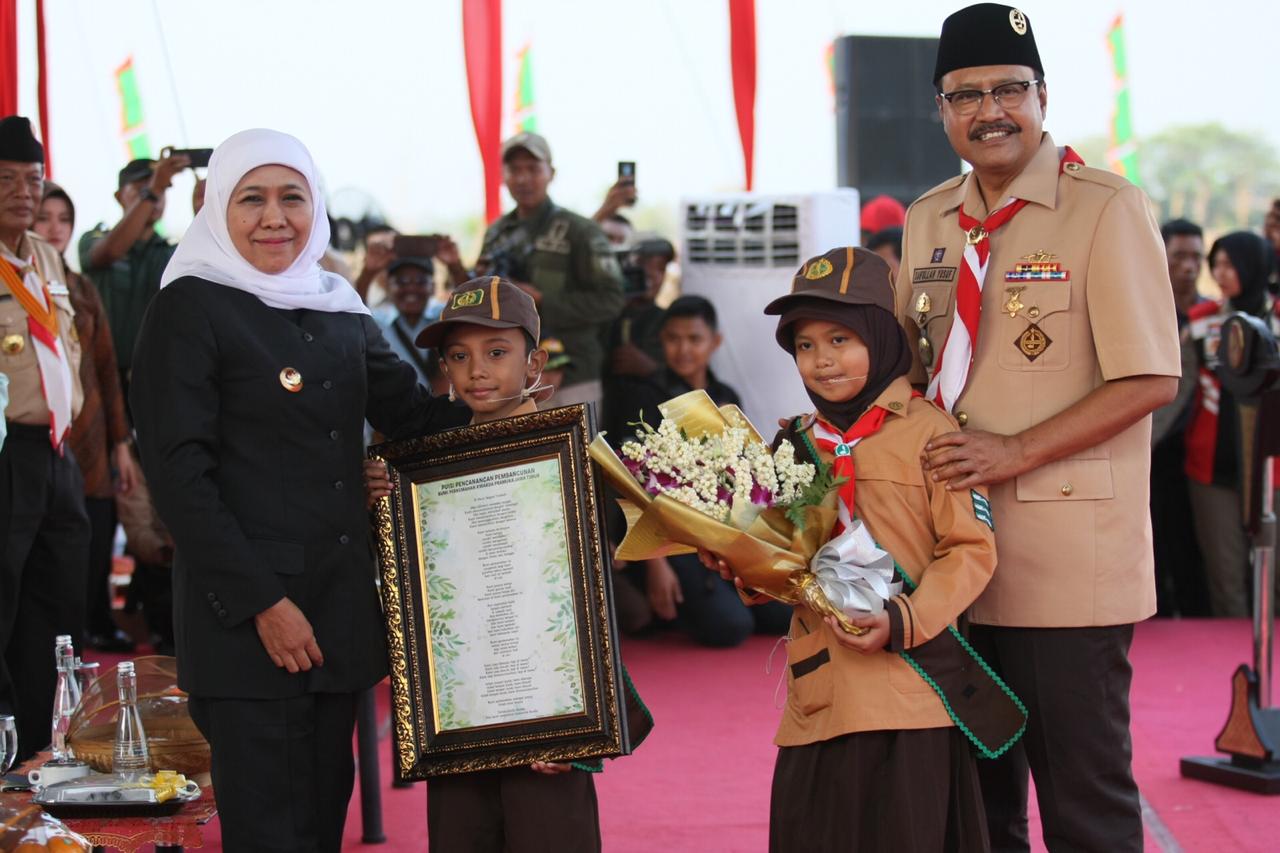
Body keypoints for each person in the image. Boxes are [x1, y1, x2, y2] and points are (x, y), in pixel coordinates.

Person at [128, 128, 467, 851]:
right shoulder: (189, 307)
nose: (274, 217)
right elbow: (181, 477)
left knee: (317, 826)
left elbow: (412, 419)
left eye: (293, 197)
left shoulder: (337, 305)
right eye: (252, 198)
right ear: (218, 205)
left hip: (337, 613)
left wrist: (510, 403)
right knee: (271, 833)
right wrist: (263, 604)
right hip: (251, 627)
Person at [898, 6, 1180, 850]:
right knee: (977, 807)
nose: (990, 111)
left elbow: (1151, 375)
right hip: (949, 556)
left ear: (1043, 96)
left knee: (1083, 799)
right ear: (940, 109)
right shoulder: (927, 219)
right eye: (966, 94)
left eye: (1010, 90)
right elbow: (918, 370)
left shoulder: (1105, 207)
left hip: (1065, 557)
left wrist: (1013, 450)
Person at [702, 247, 1019, 852]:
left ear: (880, 333)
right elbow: (784, 561)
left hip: (911, 695)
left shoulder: (931, 432)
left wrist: (904, 618)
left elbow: (971, 550)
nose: (822, 361)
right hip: (821, 698)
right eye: (805, 346)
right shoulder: (794, 442)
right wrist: (739, 564)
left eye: (841, 338)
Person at [402, 276, 652, 852]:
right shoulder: (428, 469)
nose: (477, 371)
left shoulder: (571, 454)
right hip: (461, 708)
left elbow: (588, 590)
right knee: (462, 831)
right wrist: (385, 504)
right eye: (459, 357)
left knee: (549, 829)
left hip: (551, 710)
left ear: (534, 360)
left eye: (496, 353)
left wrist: (580, 724)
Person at [617, 295, 792, 646]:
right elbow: (631, 483)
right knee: (730, 628)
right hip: (671, 539)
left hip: (721, 533)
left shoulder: (725, 395)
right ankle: (656, 592)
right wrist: (655, 565)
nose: (683, 349)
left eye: (694, 339)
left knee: (781, 616)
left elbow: (740, 478)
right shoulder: (643, 396)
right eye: (673, 338)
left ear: (714, 342)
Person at [0, 115, 89, 761]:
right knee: (3, 596)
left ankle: (42, 742)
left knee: (58, 601)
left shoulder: (49, 256)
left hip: (58, 454)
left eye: (31, 180)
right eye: (5, 180)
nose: (22, 193)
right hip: (6, 453)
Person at [34, 182, 141, 652]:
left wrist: (121, 445)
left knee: (96, 536)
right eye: (44, 218)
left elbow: (104, 368)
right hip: (33, 438)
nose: (54, 229)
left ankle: (93, 623)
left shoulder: (82, 289)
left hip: (92, 435)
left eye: (63, 219)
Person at [479, 132, 625, 407]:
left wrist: (543, 301)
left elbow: (611, 300)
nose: (523, 179)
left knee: (579, 450)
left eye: (533, 169)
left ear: (551, 173)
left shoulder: (580, 231)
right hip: (508, 378)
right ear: (503, 175)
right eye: (515, 170)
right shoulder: (496, 234)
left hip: (571, 376)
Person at [1183, 230, 1276, 616]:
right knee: (1226, 577)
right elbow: (1180, 389)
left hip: (1272, 469)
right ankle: (1229, 660)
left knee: (1271, 575)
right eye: (1215, 264)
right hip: (1211, 468)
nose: (1219, 273)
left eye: (1229, 264)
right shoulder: (1201, 322)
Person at [79, 153, 189, 403]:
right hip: (103, 382)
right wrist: (153, 189)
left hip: (161, 381)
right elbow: (108, 253)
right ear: (119, 197)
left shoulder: (175, 253)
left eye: (162, 190)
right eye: (142, 189)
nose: (156, 196)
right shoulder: (94, 239)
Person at [1148, 219, 1209, 617]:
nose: (1188, 266)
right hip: (1153, 454)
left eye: (1196, 257)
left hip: (1203, 461)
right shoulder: (1148, 313)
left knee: (1196, 550)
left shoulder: (1213, 317)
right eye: (1179, 256)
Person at [373, 255, 444, 386]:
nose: (411, 288)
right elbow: (353, 319)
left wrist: (455, 266)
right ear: (388, 288)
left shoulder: (443, 316)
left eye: (421, 281)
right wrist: (369, 271)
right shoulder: (378, 323)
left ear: (433, 287)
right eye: (402, 281)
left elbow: (471, 308)